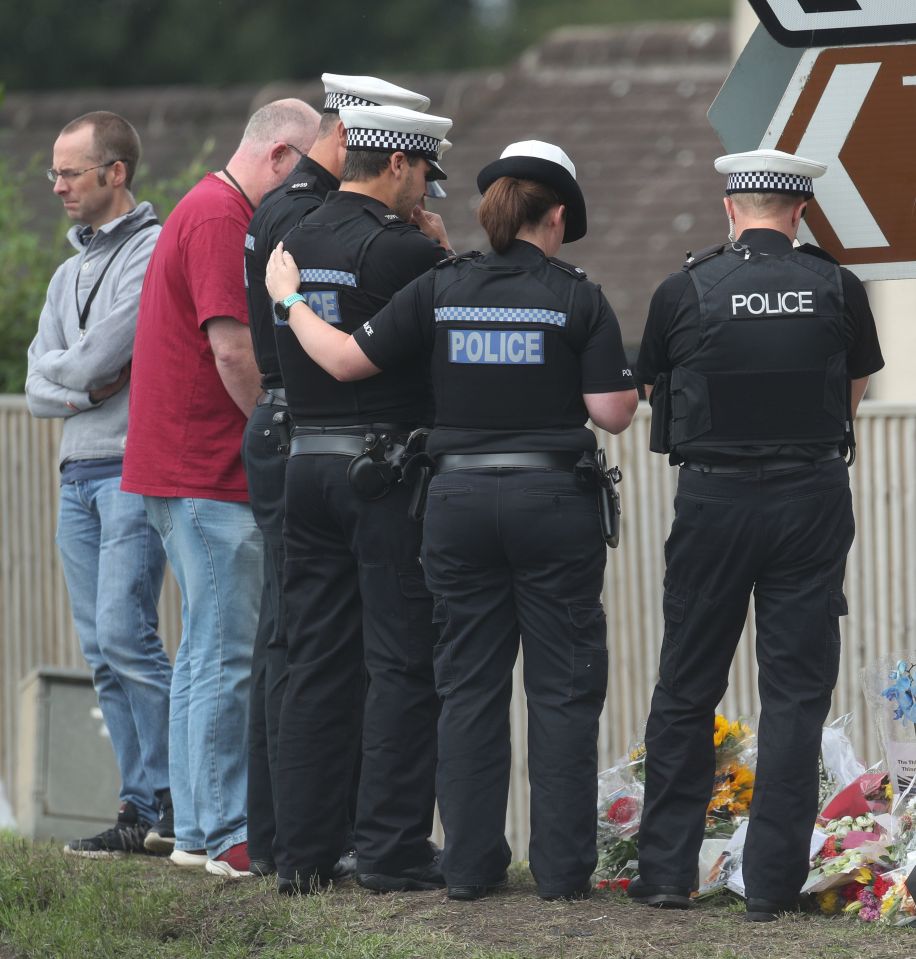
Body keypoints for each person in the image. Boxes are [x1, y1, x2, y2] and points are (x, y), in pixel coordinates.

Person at [266, 139, 639, 901]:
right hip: (552, 505)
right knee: (562, 689)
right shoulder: (576, 296)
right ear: (558, 216)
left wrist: (291, 301)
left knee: (467, 685)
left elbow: (342, 360)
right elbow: (612, 412)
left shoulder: (444, 287)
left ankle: (470, 868)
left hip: (455, 507)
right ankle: (564, 872)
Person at [627, 149, 884, 921]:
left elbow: (650, 387)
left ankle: (667, 872)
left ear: (731, 206)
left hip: (713, 500)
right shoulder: (838, 285)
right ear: (800, 210)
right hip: (811, 498)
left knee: (687, 682)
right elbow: (853, 394)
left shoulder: (685, 286)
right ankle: (771, 885)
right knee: (796, 689)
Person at [121, 98, 320, 879]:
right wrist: (279, 431)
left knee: (206, 648)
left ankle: (199, 827)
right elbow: (233, 350)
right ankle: (227, 824)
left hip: (185, 467)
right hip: (206, 468)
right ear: (277, 158)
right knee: (227, 652)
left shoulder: (205, 207)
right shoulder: (219, 218)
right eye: (301, 175)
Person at [241, 75, 431, 878]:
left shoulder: (288, 229)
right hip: (381, 469)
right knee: (397, 659)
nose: (425, 185)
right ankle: (389, 848)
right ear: (396, 165)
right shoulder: (406, 248)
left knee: (313, 659)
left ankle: (301, 853)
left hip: (304, 460)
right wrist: (441, 248)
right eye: (423, 169)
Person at [25, 111, 172, 857]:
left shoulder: (152, 252)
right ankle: (138, 805)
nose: (56, 187)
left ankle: (181, 796)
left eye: (70, 173)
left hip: (128, 467)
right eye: (54, 173)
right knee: (100, 649)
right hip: (74, 469)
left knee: (127, 633)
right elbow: (41, 374)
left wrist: (74, 374)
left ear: (115, 173)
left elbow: (86, 360)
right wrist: (81, 383)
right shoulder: (65, 272)